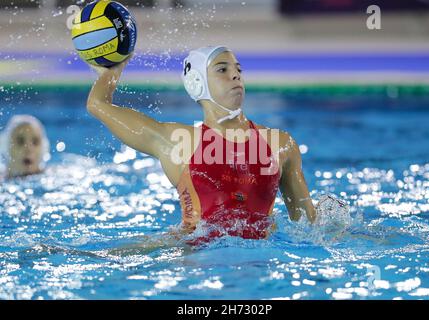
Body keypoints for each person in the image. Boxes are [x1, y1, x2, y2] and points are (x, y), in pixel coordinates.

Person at [86, 46, 316, 245]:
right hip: (196, 256)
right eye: (222, 69)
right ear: (197, 82)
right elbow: (97, 104)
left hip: (262, 262)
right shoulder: (176, 141)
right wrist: (113, 70)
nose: (235, 75)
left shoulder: (281, 144)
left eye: (238, 69)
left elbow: (309, 228)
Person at [0, 115, 50, 179]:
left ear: (44, 148)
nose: (29, 149)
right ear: (6, 147)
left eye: (35, 142)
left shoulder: (54, 176)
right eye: (20, 142)